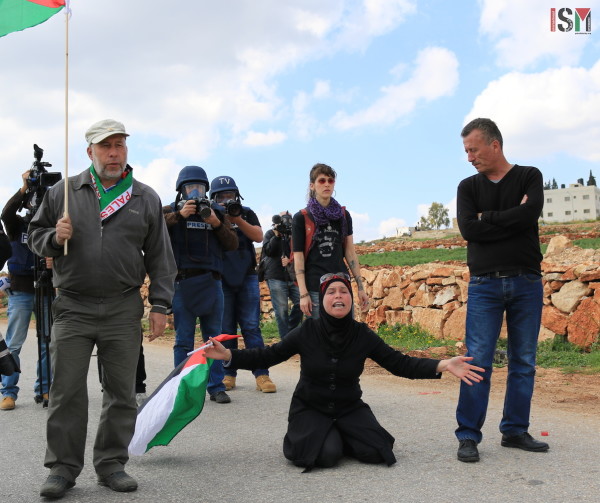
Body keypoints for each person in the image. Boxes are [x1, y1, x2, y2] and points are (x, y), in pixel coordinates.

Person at [28, 119, 177, 499]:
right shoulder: (64, 192)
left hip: (122, 306)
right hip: (73, 307)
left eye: (120, 145)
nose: (114, 153)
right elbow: (33, 235)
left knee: (122, 393)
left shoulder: (144, 197)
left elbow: (161, 256)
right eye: (106, 146)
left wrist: (160, 304)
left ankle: (111, 464)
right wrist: (51, 237)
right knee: (65, 391)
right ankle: (62, 469)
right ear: (90, 151)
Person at [204, 272, 484, 471]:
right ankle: (324, 435)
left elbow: (399, 363)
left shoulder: (362, 334)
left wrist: (443, 364)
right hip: (310, 407)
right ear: (322, 300)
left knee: (377, 452)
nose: (339, 296)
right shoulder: (307, 330)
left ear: (350, 299)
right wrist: (229, 355)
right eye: (332, 292)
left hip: (349, 407)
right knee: (323, 456)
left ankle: (339, 431)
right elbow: (268, 354)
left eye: (344, 291)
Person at [455, 117, 548, 463]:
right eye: (466, 151)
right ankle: (468, 436)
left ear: (495, 144)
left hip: (526, 281)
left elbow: (531, 215)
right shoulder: (467, 187)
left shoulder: (530, 176)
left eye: (473, 149)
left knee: (523, 360)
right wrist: (513, 214)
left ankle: (514, 430)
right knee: (477, 361)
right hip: (484, 285)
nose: (469, 157)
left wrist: (487, 218)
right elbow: (468, 229)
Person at [164, 166, 238, 404]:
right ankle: (181, 388)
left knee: (214, 339)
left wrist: (216, 222)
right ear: (180, 191)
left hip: (212, 282)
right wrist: (179, 216)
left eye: (199, 188)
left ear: (207, 189)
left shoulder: (215, 211)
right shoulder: (171, 211)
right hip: (183, 282)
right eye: (189, 188)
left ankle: (216, 386)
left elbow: (232, 244)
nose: (195, 193)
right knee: (183, 340)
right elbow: (152, 231)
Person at [209, 176, 276, 394]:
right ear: (214, 198)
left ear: (237, 195)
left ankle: (262, 374)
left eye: (230, 195)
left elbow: (258, 237)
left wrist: (237, 219)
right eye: (222, 196)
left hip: (247, 274)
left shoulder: (245, 212)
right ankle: (229, 373)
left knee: (250, 327)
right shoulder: (211, 214)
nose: (227, 200)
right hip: (222, 277)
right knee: (227, 330)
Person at [0, 171, 52, 411]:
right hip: (20, 291)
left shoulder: (49, 226)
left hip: (46, 288)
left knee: (47, 343)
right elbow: (6, 213)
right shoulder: (16, 225)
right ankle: (8, 392)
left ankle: (45, 389)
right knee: (14, 343)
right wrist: (24, 189)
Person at [292, 163, 369, 319]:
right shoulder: (302, 217)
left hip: (341, 284)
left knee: (345, 334)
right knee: (318, 337)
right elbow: (298, 258)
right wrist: (303, 294)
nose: (327, 184)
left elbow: (350, 252)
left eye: (330, 180)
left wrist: (360, 287)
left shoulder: (343, 215)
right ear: (312, 185)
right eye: (322, 181)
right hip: (315, 287)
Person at [262, 211, 302, 338]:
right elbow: (268, 251)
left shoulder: (293, 235)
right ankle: (285, 340)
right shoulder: (270, 233)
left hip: (293, 276)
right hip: (275, 276)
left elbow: (299, 253)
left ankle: (290, 333)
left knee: (302, 303)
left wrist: (290, 261)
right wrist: (277, 236)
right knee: (281, 310)